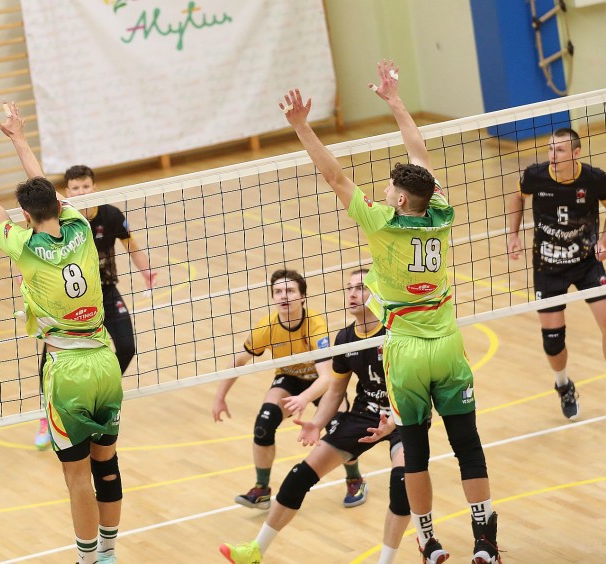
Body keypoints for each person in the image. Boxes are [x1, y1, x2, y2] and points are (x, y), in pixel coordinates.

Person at [275, 61, 500, 563]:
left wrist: (302, 126)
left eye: (388, 188)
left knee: (415, 452)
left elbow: (334, 176)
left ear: (399, 198)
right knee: (468, 445)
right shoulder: (441, 212)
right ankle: (485, 542)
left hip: (407, 352)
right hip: (447, 345)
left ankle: (429, 541)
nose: (382, 189)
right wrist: (396, 101)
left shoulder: (381, 223)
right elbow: (420, 155)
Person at [0, 102, 123, 564]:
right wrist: (19, 137)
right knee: (106, 464)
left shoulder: (22, 245)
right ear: (59, 204)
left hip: (67, 370)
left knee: (76, 476)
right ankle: (109, 554)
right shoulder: (80, 225)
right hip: (105, 359)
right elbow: (42, 185)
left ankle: (87, 560)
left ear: (24, 213)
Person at [219, 269, 410, 564]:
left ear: (378, 295)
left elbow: (417, 388)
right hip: (365, 414)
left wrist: (394, 422)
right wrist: (316, 423)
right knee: (299, 475)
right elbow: (335, 391)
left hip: (403, 415)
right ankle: (255, 551)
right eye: (349, 288)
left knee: (402, 484)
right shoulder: (345, 338)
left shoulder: (396, 332)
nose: (353, 293)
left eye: (361, 287)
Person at [33, 164, 158, 450]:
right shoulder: (60, 221)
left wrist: (146, 271)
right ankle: (46, 413)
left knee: (126, 347)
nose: (81, 192)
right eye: (75, 188)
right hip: (71, 300)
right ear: (67, 192)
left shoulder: (111, 215)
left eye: (86, 186)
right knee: (52, 358)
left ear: (95, 188)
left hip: (105, 292)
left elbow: (132, 246)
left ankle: (99, 396)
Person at [212, 268, 343, 510]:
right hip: (289, 378)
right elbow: (238, 361)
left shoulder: (315, 325)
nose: (284, 296)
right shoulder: (267, 327)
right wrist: (220, 397)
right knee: (264, 424)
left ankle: (355, 479)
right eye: (278, 292)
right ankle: (261, 490)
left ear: (302, 297)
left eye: (290, 291)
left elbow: (327, 378)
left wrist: (304, 398)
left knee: (341, 427)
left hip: (320, 380)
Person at [506, 126, 606, 420]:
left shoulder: (594, 179)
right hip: (548, 267)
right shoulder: (535, 176)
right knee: (553, 341)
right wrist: (513, 234)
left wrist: (604, 239)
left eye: (559, 150)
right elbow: (518, 197)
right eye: (550, 148)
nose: (552, 155)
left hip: (586, 263)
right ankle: (563, 385)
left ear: (576, 153)